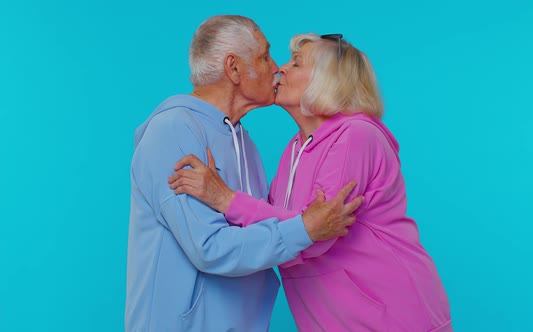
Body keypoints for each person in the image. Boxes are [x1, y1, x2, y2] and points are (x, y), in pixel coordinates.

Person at [168, 33, 453, 331]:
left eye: (297, 63)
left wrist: (225, 199)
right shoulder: (294, 149)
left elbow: (318, 233)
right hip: (331, 318)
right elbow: (288, 226)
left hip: (392, 316)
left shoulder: (356, 136)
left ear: (328, 80)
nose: (281, 69)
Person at [126, 17, 364, 332]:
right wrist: (305, 229)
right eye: (265, 57)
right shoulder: (174, 130)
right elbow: (209, 248)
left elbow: (265, 223)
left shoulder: (245, 143)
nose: (276, 67)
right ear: (234, 68)